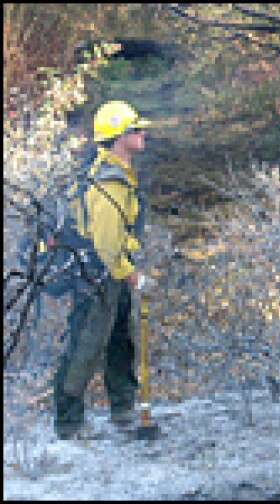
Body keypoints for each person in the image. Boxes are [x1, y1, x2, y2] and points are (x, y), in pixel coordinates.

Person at [53, 100, 151, 440]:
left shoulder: (117, 173)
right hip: (97, 276)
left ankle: (123, 409)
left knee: (120, 340)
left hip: (110, 274)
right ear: (119, 136)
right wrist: (130, 273)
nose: (142, 133)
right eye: (136, 129)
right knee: (86, 345)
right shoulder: (108, 182)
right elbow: (107, 243)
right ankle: (68, 424)